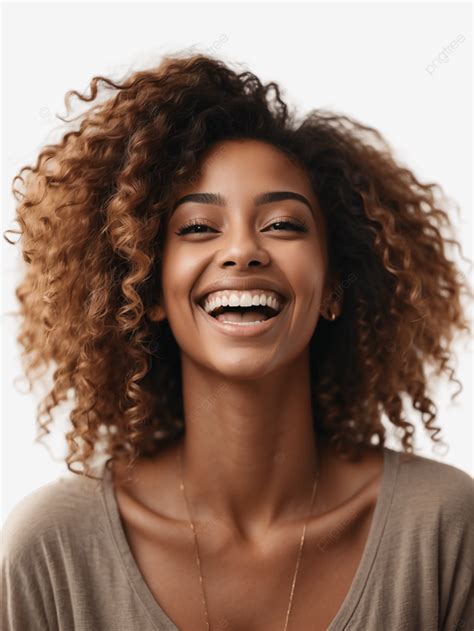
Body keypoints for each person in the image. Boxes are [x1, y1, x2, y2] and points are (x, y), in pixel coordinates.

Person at [2, 53, 473, 631]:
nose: (243, 250)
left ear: (334, 286)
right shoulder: (51, 550)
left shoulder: (444, 527)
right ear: (145, 286)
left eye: (282, 224)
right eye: (198, 228)